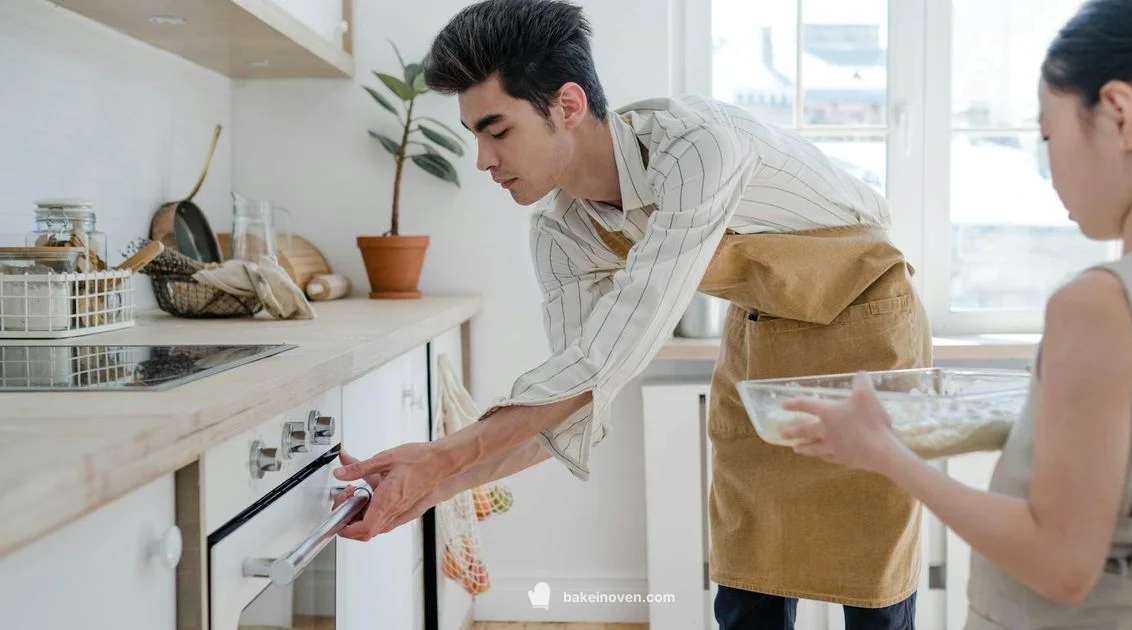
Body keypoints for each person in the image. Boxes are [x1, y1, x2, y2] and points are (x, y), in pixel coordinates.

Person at [332, 0, 932, 627]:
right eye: (475, 137)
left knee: (872, 588)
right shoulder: (561, 235)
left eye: (497, 131)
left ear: (567, 105)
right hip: (762, 336)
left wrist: (440, 457)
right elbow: (576, 397)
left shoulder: (697, 151)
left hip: (865, 324)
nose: (483, 160)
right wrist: (431, 485)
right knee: (750, 584)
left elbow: (609, 355)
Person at [778, 0, 1132, 628]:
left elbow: (1062, 562)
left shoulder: (1099, 306)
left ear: (1119, 113)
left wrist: (886, 454)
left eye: (1049, 135)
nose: (1047, 165)